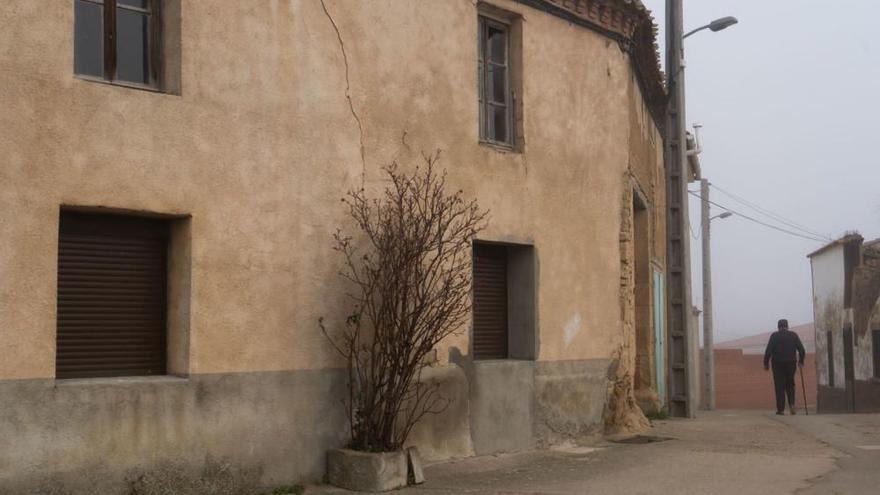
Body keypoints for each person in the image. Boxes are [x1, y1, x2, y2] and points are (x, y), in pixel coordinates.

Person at [763, 319, 806, 415]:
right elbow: (802, 350)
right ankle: (792, 404)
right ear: (787, 326)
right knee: (790, 384)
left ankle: (781, 409)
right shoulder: (793, 335)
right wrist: (801, 361)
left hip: (777, 364)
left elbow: (768, 351)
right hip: (791, 363)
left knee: (779, 386)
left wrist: (766, 363)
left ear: (778, 327)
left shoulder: (774, 336)